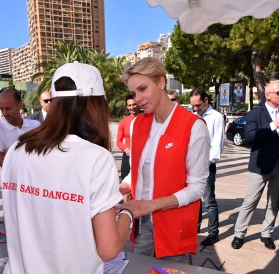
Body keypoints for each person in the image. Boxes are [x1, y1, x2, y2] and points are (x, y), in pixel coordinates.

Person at [1, 61, 139, 273]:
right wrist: (128, 211)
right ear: (95, 105)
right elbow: (109, 249)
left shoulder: (16, 150)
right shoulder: (96, 158)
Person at [119, 57, 210, 261]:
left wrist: (148, 205)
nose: (138, 98)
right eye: (134, 93)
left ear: (161, 82)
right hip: (142, 223)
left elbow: (196, 188)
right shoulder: (136, 125)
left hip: (173, 225)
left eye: (143, 89)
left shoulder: (194, 126)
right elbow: (138, 170)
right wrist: (120, 186)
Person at [231, 81, 279, 251]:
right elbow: (250, 136)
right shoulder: (255, 113)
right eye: (278, 93)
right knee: (250, 201)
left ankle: (266, 233)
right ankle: (239, 234)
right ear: (268, 95)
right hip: (260, 166)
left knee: (274, 203)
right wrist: (274, 125)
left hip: (278, 167)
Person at [189, 88, 225, 246]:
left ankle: (213, 233)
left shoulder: (216, 117)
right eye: (193, 106)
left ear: (206, 101)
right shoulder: (193, 116)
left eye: (198, 105)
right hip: (192, 164)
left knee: (209, 200)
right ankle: (194, 227)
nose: (196, 108)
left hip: (206, 165)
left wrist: (206, 163)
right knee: (194, 199)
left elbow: (217, 144)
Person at [0, 89, 40, 167]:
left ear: (19, 106)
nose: (5, 113)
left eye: (8, 108)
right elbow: (3, 163)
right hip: (13, 179)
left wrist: (12, 156)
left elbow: (44, 155)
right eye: (2, 109)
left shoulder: (36, 125)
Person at [116, 94, 140, 181]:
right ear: (127, 106)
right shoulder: (123, 122)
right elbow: (118, 141)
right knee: (125, 184)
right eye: (129, 105)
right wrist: (126, 149)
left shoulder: (147, 119)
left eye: (134, 104)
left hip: (142, 156)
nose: (132, 107)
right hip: (128, 155)